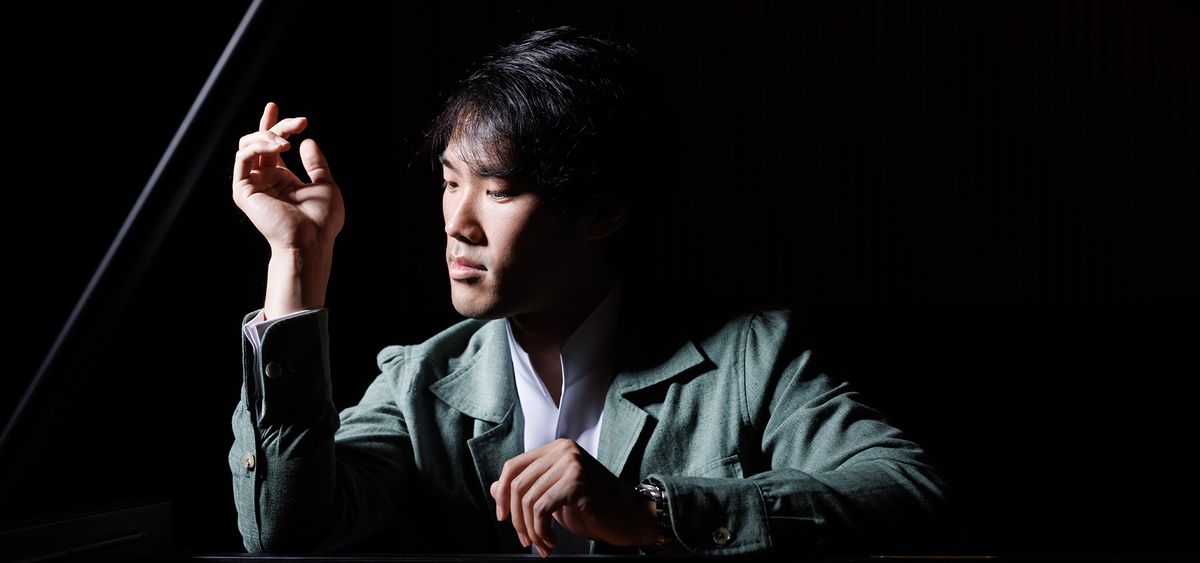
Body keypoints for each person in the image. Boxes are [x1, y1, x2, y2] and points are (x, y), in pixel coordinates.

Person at [227, 26, 945, 557]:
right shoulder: (419, 384)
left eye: (498, 191)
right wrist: (298, 259)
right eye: (449, 183)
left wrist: (651, 512)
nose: (458, 224)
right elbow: (282, 529)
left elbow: (908, 492)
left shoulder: (750, 361)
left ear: (602, 209)